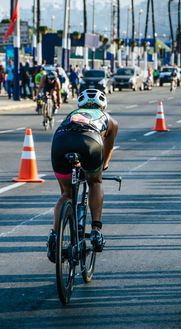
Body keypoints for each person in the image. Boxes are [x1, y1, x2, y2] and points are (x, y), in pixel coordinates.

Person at [47, 89, 118, 263]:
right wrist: (103, 165)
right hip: (90, 140)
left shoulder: (71, 114)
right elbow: (108, 148)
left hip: (61, 141)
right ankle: (96, 230)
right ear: (103, 105)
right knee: (95, 182)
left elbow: (71, 133)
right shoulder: (109, 119)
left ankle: (55, 236)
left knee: (66, 194)